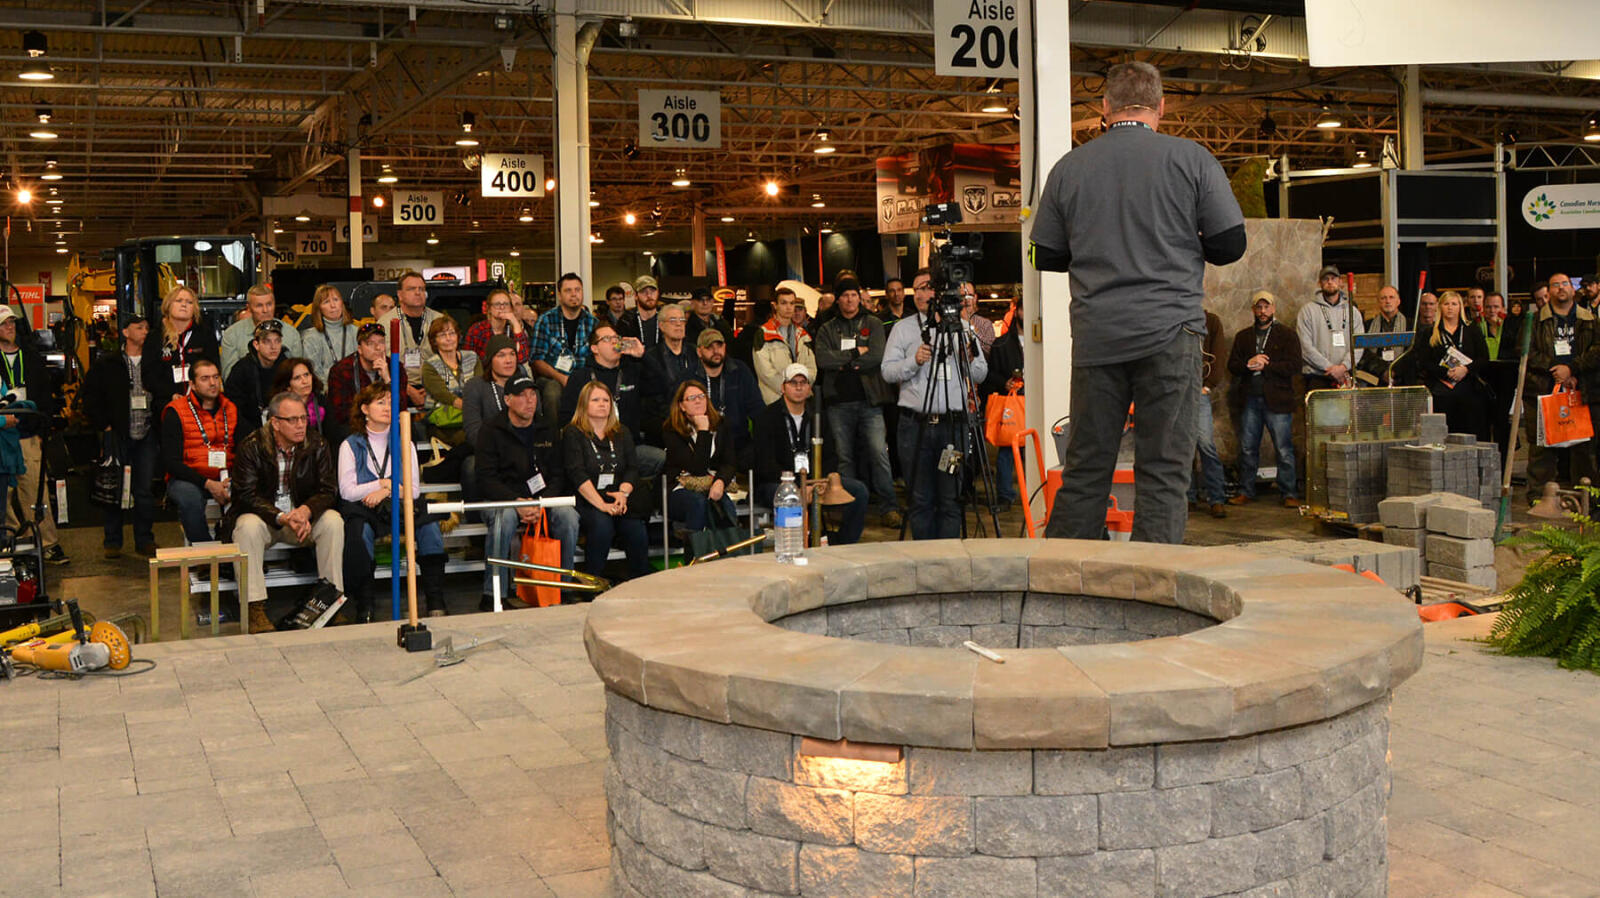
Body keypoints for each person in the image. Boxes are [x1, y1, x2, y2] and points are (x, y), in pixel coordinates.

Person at [1029, 61, 1245, 544]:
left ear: (1104, 109)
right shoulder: (1191, 159)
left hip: (1098, 336)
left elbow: (1044, 253)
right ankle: (1149, 595)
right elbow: (1231, 244)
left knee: (1086, 467)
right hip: (1170, 335)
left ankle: (1061, 587)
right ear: (1161, 107)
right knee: (1164, 471)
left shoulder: (1070, 167)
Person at [225, 391, 344, 633]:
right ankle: (254, 607)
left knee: (333, 521)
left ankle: (330, 603)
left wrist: (307, 510)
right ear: (275, 423)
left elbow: (328, 490)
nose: (300, 425)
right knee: (246, 526)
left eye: (303, 418)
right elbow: (245, 495)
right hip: (268, 520)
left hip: (302, 521)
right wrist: (281, 516)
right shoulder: (251, 446)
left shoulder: (317, 444)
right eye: (292, 420)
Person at [882, 279, 988, 539]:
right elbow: (887, 371)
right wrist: (913, 361)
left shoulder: (962, 327)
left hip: (952, 429)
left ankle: (949, 564)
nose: (921, 294)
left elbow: (981, 373)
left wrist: (969, 359)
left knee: (950, 497)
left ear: (939, 293)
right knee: (920, 499)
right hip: (915, 427)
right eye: (917, 289)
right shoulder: (903, 329)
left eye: (927, 287)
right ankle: (925, 563)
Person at [337, 384, 448, 621]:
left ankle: (436, 598)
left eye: (390, 402)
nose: (387, 407)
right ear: (365, 409)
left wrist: (387, 487)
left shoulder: (404, 442)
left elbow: (413, 490)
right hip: (367, 510)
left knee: (430, 525)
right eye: (380, 402)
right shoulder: (350, 444)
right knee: (358, 530)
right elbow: (347, 492)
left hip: (399, 506)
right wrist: (385, 485)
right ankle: (365, 604)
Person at [475, 374, 580, 611]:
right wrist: (516, 501)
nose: (529, 400)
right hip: (502, 498)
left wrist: (542, 502)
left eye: (533, 394)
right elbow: (486, 478)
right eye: (521, 395)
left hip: (542, 498)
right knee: (505, 517)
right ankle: (493, 595)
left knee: (568, 516)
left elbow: (558, 474)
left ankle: (563, 588)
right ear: (507, 400)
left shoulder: (547, 427)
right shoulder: (490, 430)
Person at [813, 277, 902, 528]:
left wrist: (843, 363)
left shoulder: (873, 323)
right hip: (838, 404)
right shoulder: (827, 328)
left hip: (870, 402)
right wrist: (854, 355)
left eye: (854, 294)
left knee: (878, 454)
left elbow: (876, 356)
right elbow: (822, 360)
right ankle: (848, 509)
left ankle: (889, 507)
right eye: (845, 295)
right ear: (838, 299)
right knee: (844, 459)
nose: (850, 299)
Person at [752, 364, 868, 544]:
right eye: (793, 383)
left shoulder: (818, 416)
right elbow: (765, 463)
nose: (799, 387)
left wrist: (818, 483)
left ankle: (841, 544)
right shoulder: (767, 417)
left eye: (803, 383)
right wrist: (798, 485)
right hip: (777, 483)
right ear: (783, 387)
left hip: (816, 481)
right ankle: (794, 544)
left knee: (859, 491)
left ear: (809, 388)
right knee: (790, 497)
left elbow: (831, 455)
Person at [83, 314, 161, 558]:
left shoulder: (154, 362)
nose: (145, 332)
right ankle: (112, 541)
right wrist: (104, 425)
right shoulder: (109, 363)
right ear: (126, 332)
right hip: (118, 433)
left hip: (147, 432)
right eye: (139, 327)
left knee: (144, 490)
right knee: (113, 487)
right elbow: (90, 396)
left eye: (147, 328)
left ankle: (144, 539)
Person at [563, 380, 651, 581]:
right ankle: (593, 582)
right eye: (595, 400)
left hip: (617, 497)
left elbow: (632, 468)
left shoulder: (621, 432)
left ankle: (641, 581)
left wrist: (623, 494)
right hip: (587, 499)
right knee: (602, 525)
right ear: (584, 404)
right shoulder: (573, 433)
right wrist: (602, 505)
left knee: (635, 527)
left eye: (606, 400)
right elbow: (577, 474)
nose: (602, 404)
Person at [1523, 272, 1598, 504]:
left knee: (1584, 449)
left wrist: (1572, 369)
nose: (1560, 288)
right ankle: (1540, 499)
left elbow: (1597, 350)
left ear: (1573, 289)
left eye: (1564, 284)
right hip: (1544, 389)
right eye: (1555, 285)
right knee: (1541, 449)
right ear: (1549, 292)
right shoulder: (1535, 320)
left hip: (1581, 389)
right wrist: (1555, 368)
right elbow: (1527, 352)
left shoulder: (1590, 319)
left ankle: (1587, 500)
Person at [0, 306, 67, 564]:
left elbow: (44, 396)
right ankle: (11, 540)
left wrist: (42, 430)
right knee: (3, 494)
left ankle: (46, 542)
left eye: (12, 323)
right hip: (2, 435)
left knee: (35, 490)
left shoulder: (31, 358)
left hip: (28, 433)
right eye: (4, 324)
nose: (10, 327)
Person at [1227, 291, 1302, 507]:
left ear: (1274, 308)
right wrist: (1249, 363)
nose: (1262, 312)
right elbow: (1232, 365)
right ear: (1253, 310)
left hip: (1278, 400)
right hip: (1250, 398)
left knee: (1283, 448)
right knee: (1248, 448)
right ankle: (1246, 490)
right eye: (1258, 307)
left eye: (1266, 307)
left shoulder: (1286, 335)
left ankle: (1289, 493)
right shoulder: (1243, 337)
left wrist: (1267, 365)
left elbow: (1295, 366)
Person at [557, 325, 663, 476]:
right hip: (592, 448)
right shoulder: (580, 377)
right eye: (607, 339)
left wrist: (643, 354)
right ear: (594, 348)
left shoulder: (631, 371)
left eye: (616, 338)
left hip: (629, 447)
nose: (614, 342)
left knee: (662, 459)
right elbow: (566, 418)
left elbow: (662, 385)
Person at [160, 358, 239, 546]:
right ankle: (207, 554)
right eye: (205, 378)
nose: (212, 383)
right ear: (193, 385)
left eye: (215, 377)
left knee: (249, 489)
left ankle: (233, 546)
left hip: (226, 474)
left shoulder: (231, 408)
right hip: (188, 477)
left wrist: (233, 477)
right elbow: (171, 462)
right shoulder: (175, 412)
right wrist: (208, 484)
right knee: (190, 498)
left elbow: (245, 448)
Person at [661, 379, 740, 539]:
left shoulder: (721, 424)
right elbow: (697, 468)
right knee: (698, 502)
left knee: (724, 504)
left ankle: (729, 555)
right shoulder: (671, 430)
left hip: (711, 484)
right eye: (691, 398)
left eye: (701, 396)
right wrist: (703, 431)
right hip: (679, 488)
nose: (698, 400)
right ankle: (696, 556)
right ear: (682, 406)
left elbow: (729, 462)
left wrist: (720, 482)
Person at [1417, 291, 1492, 441]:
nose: (1450, 308)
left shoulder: (1472, 330)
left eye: (1454, 304)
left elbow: (1483, 358)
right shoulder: (1430, 332)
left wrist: (1465, 369)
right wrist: (1446, 372)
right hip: (1442, 391)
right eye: (1446, 304)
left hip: (1469, 390)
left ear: (1460, 307)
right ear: (1440, 307)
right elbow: (1424, 361)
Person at [528, 272, 599, 428]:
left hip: (585, 377)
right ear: (559, 295)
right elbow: (536, 360)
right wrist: (562, 378)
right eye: (568, 290)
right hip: (553, 377)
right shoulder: (545, 320)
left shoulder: (593, 323)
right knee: (553, 392)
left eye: (577, 290)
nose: (574, 294)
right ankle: (555, 440)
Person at [327, 322, 413, 446]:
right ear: (360, 349)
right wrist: (372, 419)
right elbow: (341, 413)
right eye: (370, 343)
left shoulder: (395, 367)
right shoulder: (341, 370)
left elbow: (401, 406)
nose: (378, 348)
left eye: (381, 342)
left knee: (408, 431)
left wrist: (387, 379)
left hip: (388, 422)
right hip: (355, 424)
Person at [689, 329, 762, 466]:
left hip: (738, 443)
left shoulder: (740, 370)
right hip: (702, 444)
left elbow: (757, 409)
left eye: (719, 346)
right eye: (709, 347)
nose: (716, 351)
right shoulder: (689, 376)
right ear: (699, 352)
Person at [377, 271, 442, 413]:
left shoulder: (439, 321)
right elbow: (380, 363)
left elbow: (449, 360)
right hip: (397, 389)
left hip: (436, 388)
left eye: (422, 289)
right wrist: (408, 390)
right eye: (412, 289)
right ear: (400, 295)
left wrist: (433, 387)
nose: (418, 292)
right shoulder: (386, 323)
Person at [153, 284, 220, 411]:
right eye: (178, 301)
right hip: (166, 404)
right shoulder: (155, 336)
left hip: (201, 403)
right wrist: (170, 394)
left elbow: (214, 366)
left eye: (189, 302)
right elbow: (149, 374)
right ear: (168, 305)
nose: (184, 305)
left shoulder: (205, 334)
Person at [1188, 310, 1229, 518]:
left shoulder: (1211, 321)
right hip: (1177, 391)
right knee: (1181, 445)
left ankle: (1216, 497)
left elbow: (1219, 354)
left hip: (1199, 390)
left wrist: (1208, 385)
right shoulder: (1174, 317)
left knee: (1205, 443)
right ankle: (1188, 496)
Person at [1298, 265, 1365, 390]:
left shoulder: (1353, 311)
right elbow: (1305, 346)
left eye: (1333, 278)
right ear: (1319, 283)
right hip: (1317, 377)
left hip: (1346, 376)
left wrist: (1344, 367)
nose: (1330, 282)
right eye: (1325, 279)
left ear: (1340, 282)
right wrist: (1330, 368)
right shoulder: (1307, 311)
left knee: (1346, 410)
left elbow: (1359, 344)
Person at [220, 284, 302, 380]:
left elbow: (298, 372)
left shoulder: (291, 333)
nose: (265, 310)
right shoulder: (232, 334)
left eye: (269, 304)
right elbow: (229, 377)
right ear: (249, 308)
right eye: (259, 306)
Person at [641, 304, 697, 438]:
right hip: (664, 425)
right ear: (661, 326)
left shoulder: (695, 352)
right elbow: (651, 398)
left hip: (695, 420)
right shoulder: (651, 357)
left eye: (682, 320)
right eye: (673, 321)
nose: (679, 324)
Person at [752, 287, 817, 403]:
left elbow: (812, 368)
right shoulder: (764, 333)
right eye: (783, 303)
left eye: (792, 303)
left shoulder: (802, 334)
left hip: (802, 400)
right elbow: (765, 372)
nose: (788, 307)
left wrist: (802, 388)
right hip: (774, 400)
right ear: (775, 305)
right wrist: (789, 389)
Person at [421, 315, 477, 445]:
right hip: (443, 422)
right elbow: (443, 395)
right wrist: (472, 408)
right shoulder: (429, 365)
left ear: (458, 336)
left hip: (471, 418)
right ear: (434, 341)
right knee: (472, 438)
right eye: (442, 335)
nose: (448, 339)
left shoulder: (472, 357)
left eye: (452, 333)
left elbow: (478, 386)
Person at [223, 320, 287, 429]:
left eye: (277, 341)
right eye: (267, 342)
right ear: (256, 344)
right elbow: (232, 408)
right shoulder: (241, 370)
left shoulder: (286, 367)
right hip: (248, 428)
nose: (273, 346)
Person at [463, 334, 525, 446]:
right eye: (501, 355)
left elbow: (537, 426)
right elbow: (473, 432)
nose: (508, 360)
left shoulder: (525, 385)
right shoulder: (474, 386)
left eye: (512, 354)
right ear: (490, 360)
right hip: (487, 452)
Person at [300, 284, 356, 384]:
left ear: (342, 303)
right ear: (319, 308)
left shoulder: (356, 332)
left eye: (336, 299)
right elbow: (314, 372)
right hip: (326, 391)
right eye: (326, 302)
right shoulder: (310, 337)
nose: (333, 306)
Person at [463, 287, 532, 366]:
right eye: (497, 304)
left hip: (510, 373)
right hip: (484, 374)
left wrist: (514, 322)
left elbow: (522, 358)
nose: (502, 308)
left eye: (506, 304)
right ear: (489, 309)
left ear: (510, 308)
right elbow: (467, 362)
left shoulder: (514, 329)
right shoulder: (477, 330)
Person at [1356, 285, 1409, 385]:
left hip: (1403, 380)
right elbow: (1363, 352)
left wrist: (1395, 371)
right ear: (1378, 302)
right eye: (1383, 298)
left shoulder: (1411, 325)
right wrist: (1383, 371)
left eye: (1391, 297)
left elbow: (1412, 352)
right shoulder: (1367, 326)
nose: (1387, 301)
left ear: (1398, 301)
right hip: (1375, 379)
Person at [271, 357, 328, 436]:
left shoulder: (323, 401)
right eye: (297, 378)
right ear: (287, 385)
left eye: (306, 375)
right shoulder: (279, 407)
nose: (305, 381)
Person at [616, 275, 663, 351]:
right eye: (644, 292)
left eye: (652, 291)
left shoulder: (666, 318)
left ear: (658, 293)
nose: (649, 295)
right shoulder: (626, 321)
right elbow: (619, 349)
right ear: (636, 295)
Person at [960, 282, 997, 355]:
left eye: (970, 295)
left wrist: (970, 326)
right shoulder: (951, 325)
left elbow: (991, 352)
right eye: (963, 296)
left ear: (975, 297)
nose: (967, 300)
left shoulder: (985, 324)